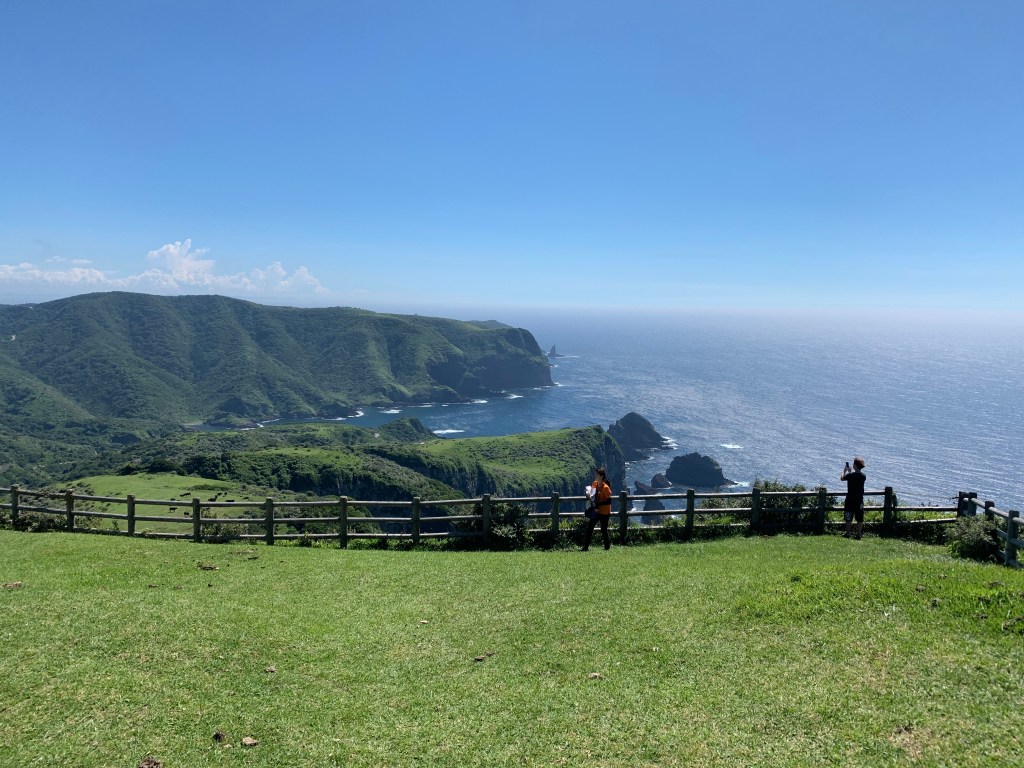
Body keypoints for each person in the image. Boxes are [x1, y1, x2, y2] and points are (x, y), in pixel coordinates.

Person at [582, 467, 613, 551]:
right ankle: (585, 547)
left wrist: (598, 505)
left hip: (604, 511)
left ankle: (607, 546)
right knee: (590, 528)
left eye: (597, 474)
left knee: (604, 529)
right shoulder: (595, 484)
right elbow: (592, 494)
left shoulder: (606, 487)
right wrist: (588, 493)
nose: (595, 475)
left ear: (601, 476)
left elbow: (608, 501)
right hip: (596, 511)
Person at [841, 456, 866, 539]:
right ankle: (859, 534)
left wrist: (844, 471)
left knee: (848, 516)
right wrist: (851, 472)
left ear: (855, 465)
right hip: (860, 500)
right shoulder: (863, 476)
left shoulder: (850, 475)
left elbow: (842, 478)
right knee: (860, 517)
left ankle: (848, 533)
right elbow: (856, 476)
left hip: (850, 499)